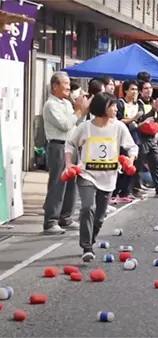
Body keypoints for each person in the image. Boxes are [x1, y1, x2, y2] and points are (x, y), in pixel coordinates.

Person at [64, 92, 138, 261]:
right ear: (102, 108)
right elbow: (70, 143)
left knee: (100, 216)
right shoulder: (86, 127)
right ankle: (87, 247)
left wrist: (130, 160)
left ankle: (91, 238)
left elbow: (132, 147)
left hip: (109, 176)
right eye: (111, 105)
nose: (115, 108)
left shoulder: (119, 127)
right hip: (87, 174)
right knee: (87, 207)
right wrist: (69, 164)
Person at [42, 71, 90, 234]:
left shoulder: (67, 104)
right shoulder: (51, 105)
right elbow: (64, 124)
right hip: (57, 146)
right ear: (55, 86)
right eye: (66, 83)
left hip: (70, 146)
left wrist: (82, 112)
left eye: (69, 84)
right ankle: (50, 221)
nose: (69, 87)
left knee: (71, 183)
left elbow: (75, 124)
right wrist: (77, 111)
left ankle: (66, 217)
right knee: (58, 183)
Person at [135, 81, 158, 198]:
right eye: (145, 88)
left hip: (152, 138)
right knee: (138, 165)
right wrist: (153, 111)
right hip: (141, 138)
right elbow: (141, 119)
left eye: (150, 88)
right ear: (141, 91)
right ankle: (135, 188)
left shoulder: (153, 103)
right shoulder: (138, 104)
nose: (149, 90)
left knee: (155, 164)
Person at [111, 80, 144, 203]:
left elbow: (139, 122)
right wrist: (132, 119)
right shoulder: (120, 103)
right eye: (132, 89)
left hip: (135, 137)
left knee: (132, 166)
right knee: (121, 165)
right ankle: (114, 192)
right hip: (122, 138)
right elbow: (118, 121)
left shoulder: (138, 104)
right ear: (125, 90)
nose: (135, 92)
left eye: (136, 89)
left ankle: (125, 192)